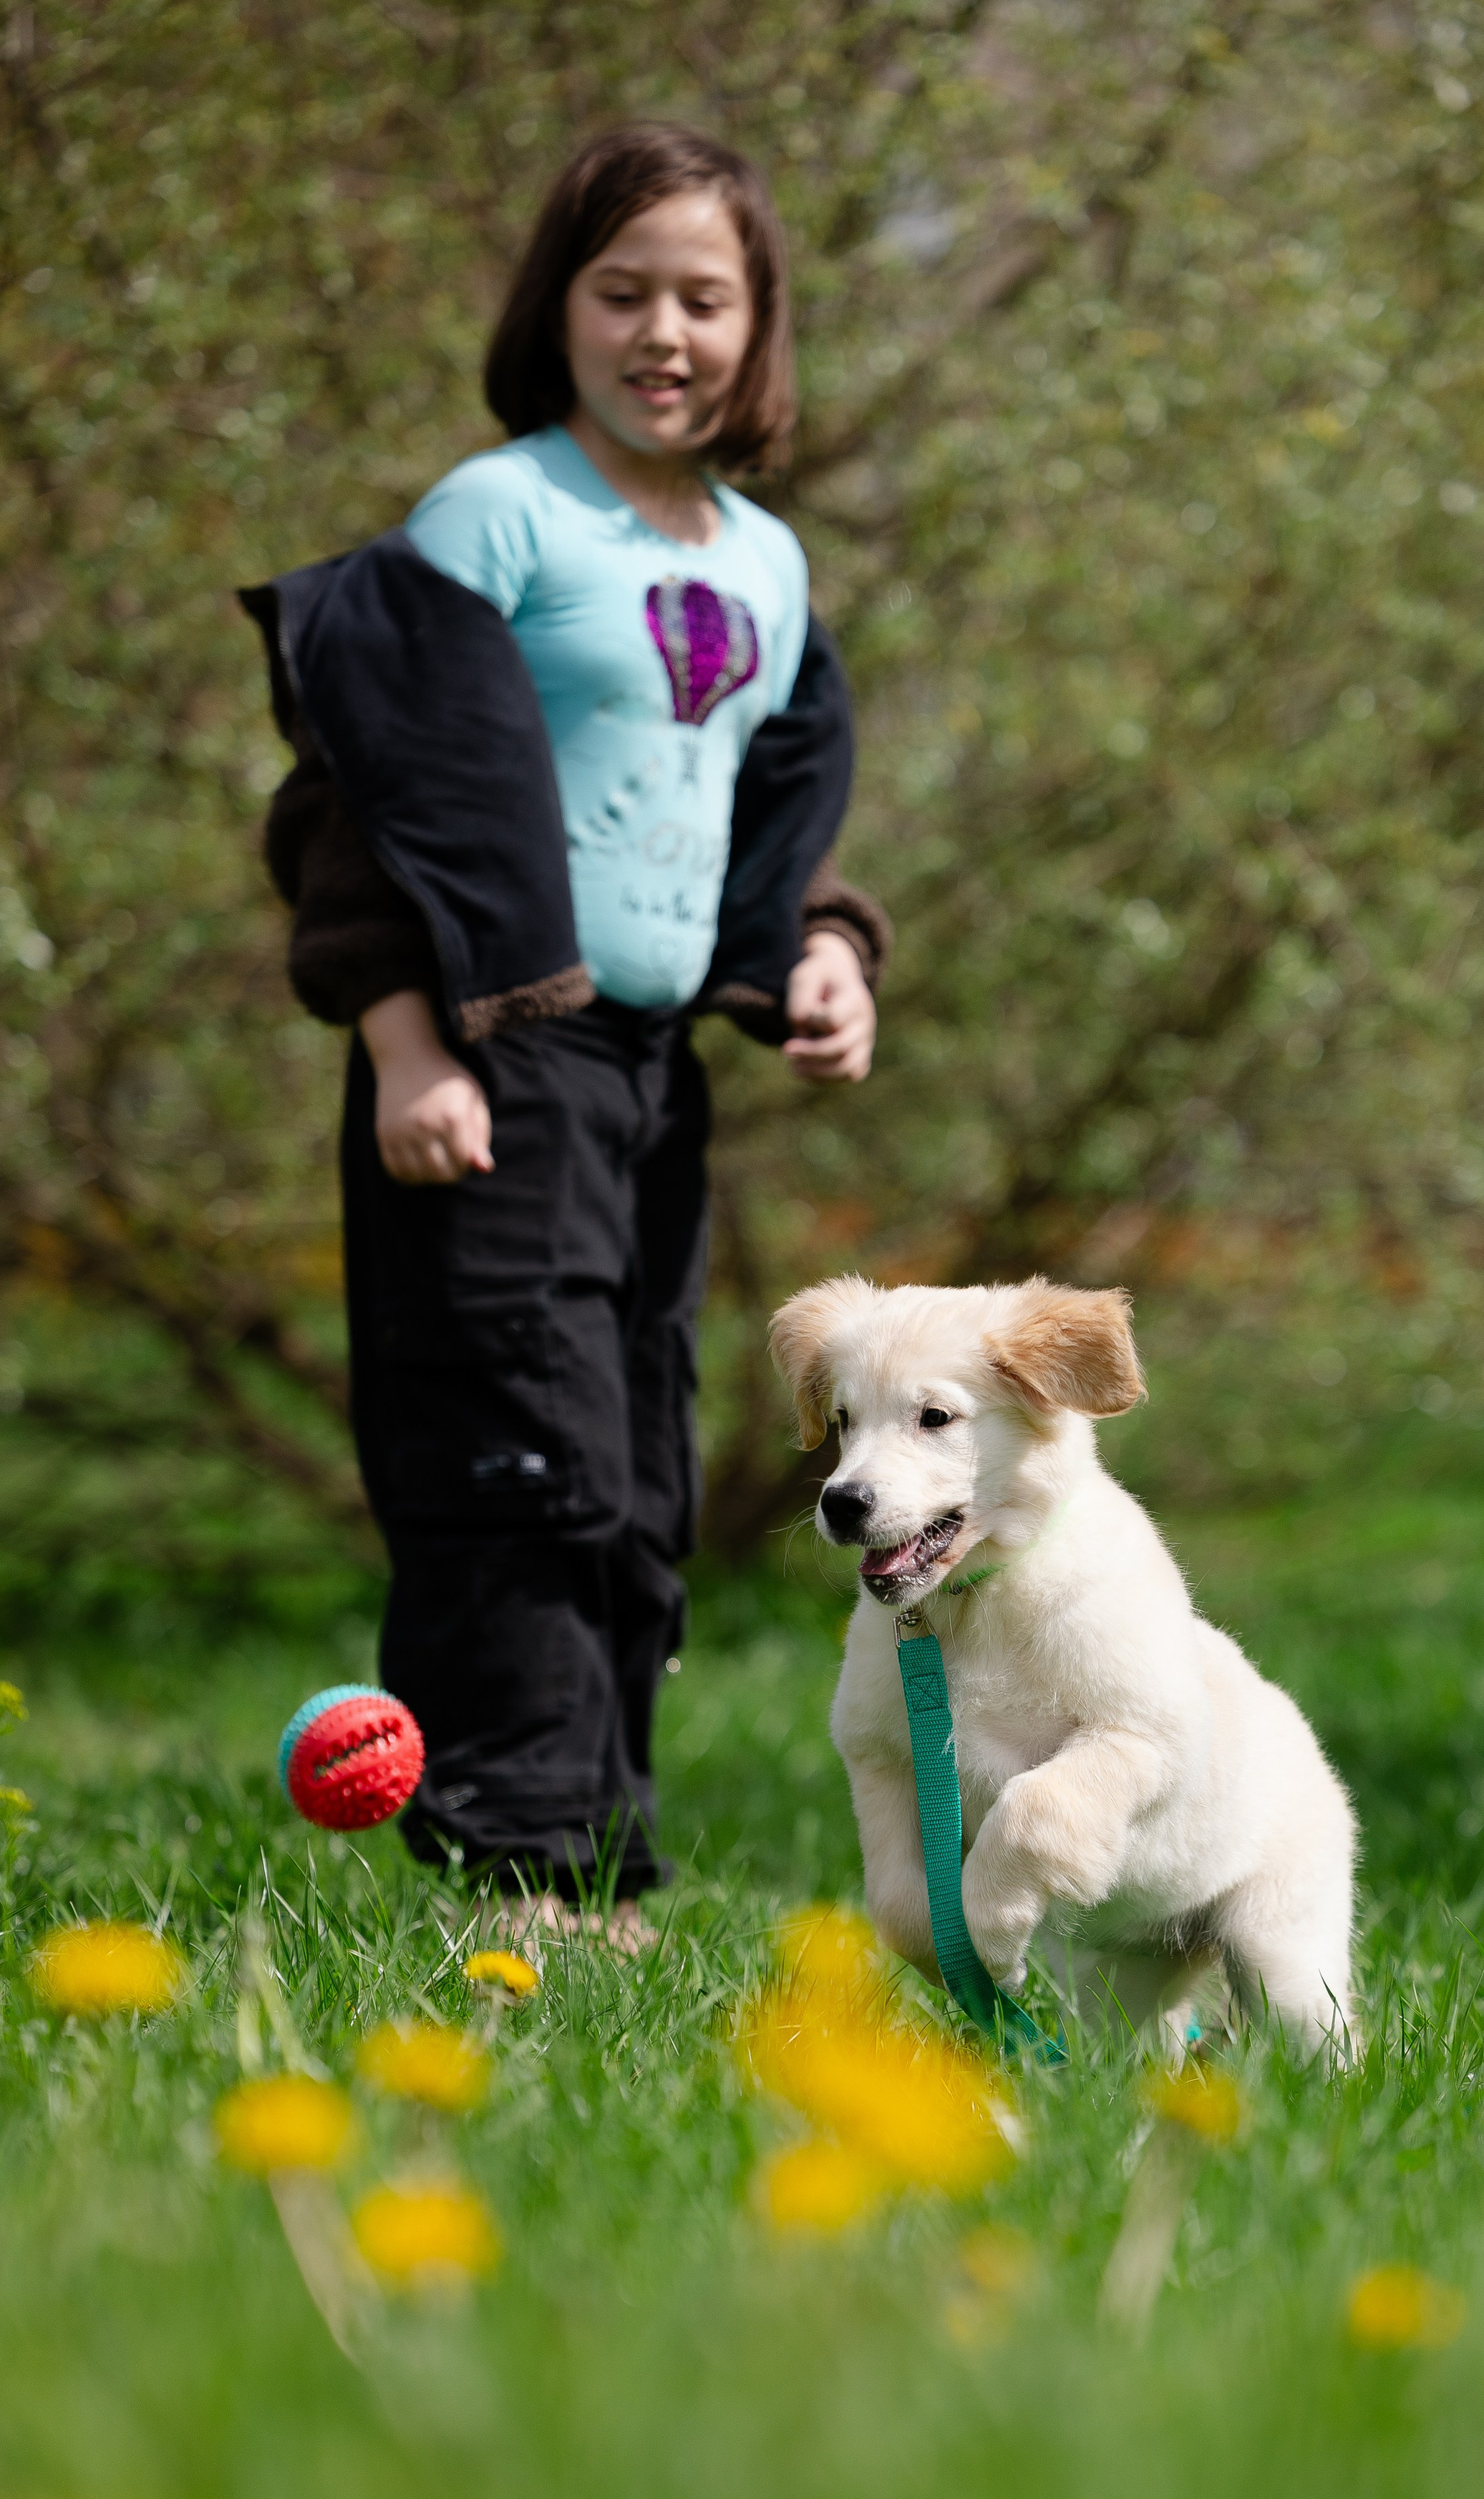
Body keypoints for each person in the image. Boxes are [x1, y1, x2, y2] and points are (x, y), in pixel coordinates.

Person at [242, 122, 886, 1940]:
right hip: (486, 1058)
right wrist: (404, 1044)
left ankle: (596, 1856)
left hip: (642, 1075)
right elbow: (361, 806)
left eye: (705, 297)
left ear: (758, 332)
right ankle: (504, 1860)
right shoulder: (493, 517)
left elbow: (763, 812)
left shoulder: (763, 565)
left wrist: (817, 952)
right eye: (623, 293)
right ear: (559, 311)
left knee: (634, 1463)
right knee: (515, 1449)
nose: (662, 333)